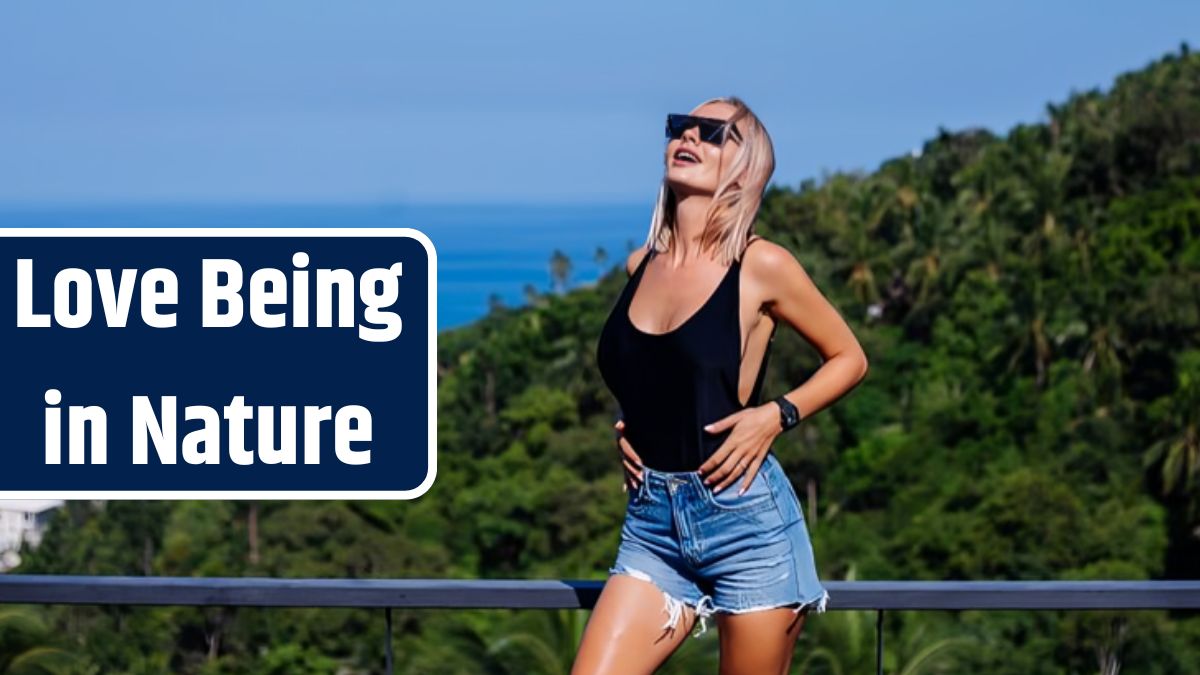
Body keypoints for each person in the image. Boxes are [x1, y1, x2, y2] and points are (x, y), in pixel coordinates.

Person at [572, 96, 870, 675]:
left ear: (747, 164)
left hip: (745, 525)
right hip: (652, 523)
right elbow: (652, 377)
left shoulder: (761, 266)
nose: (689, 137)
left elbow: (849, 358)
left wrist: (775, 414)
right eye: (680, 127)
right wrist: (629, 429)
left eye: (713, 133)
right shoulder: (642, 265)